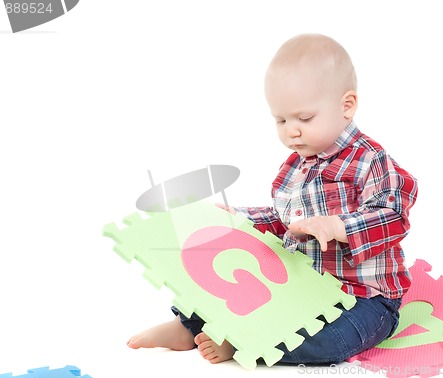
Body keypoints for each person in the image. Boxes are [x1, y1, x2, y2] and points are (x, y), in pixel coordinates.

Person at [127, 33, 418, 365]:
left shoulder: (370, 160)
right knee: (229, 275)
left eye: (304, 119)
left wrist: (336, 225)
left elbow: (393, 214)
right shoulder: (294, 167)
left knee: (334, 342)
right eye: (281, 120)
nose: (290, 131)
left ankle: (244, 343)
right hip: (302, 289)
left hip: (364, 299)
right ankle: (187, 325)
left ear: (346, 106)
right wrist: (238, 218)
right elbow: (284, 221)